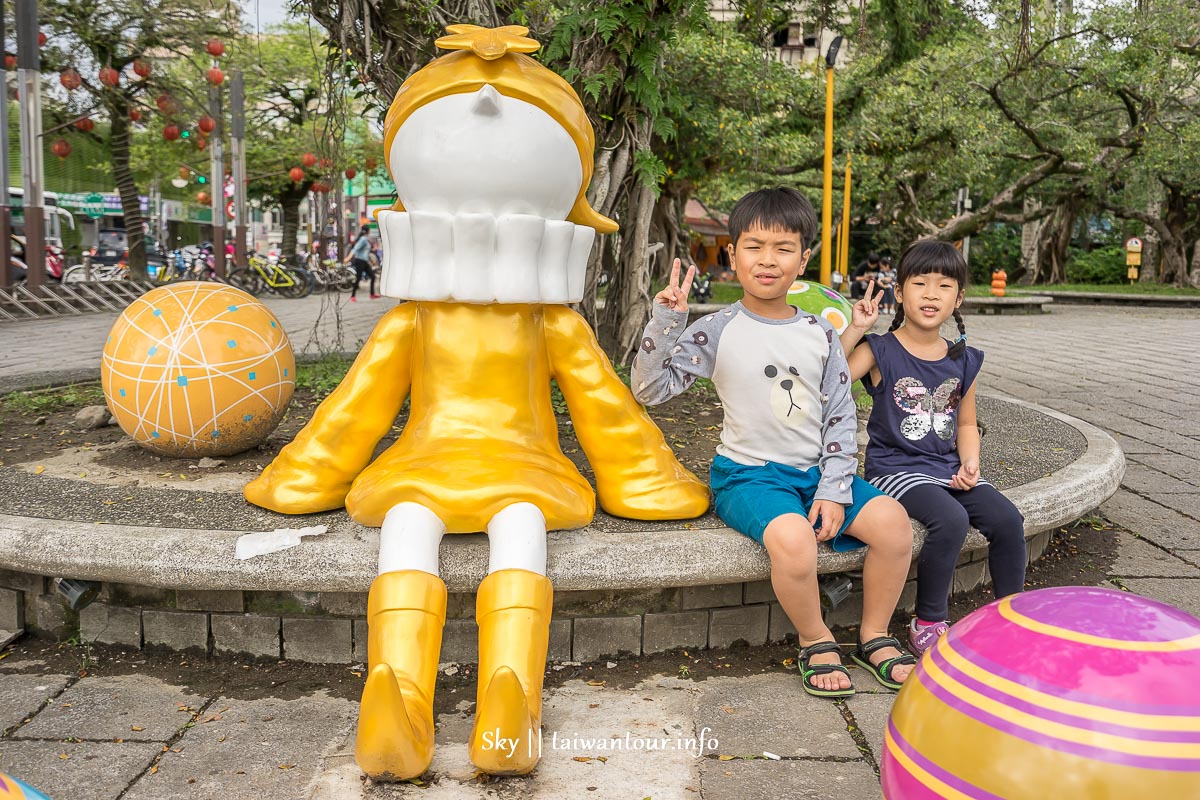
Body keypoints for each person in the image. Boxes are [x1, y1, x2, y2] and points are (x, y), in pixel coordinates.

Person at [632, 187, 916, 698]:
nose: (768, 260)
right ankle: (816, 637)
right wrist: (667, 319)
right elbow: (650, 390)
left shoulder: (819, 333)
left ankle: (874, 633)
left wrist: (834, 488)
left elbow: (838, 412)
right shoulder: (716, 329)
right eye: (754, 246)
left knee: (894, 525)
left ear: (803, 258)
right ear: (732, 255)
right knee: (792, 538)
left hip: (817, 474)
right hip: (748, 475)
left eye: (783, 247)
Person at [839, 240, 1026, 656]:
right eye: (919, 283)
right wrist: (855, 330)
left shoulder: (963, 360)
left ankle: (1010, 617)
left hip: (947, 467)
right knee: (951, 519)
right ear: (899, 293)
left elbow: (965, 423)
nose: (930, 294)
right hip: (894, 469)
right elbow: (829, 382)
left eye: (944, 286)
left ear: (958, 298)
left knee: (1009, 520)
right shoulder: (879, 350)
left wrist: (971, 463)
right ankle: (928, 622)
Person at [345, 225, 379, 301]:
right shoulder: (363, 239)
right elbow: (355, 249)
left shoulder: (365, 239)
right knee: (358, 278)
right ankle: (353, 296)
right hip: (359, 261)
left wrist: (372, 261)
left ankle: (372, 294)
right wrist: (348, 258)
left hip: (364, 262)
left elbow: (366, 252)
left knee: (373, 276)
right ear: (368, 231)